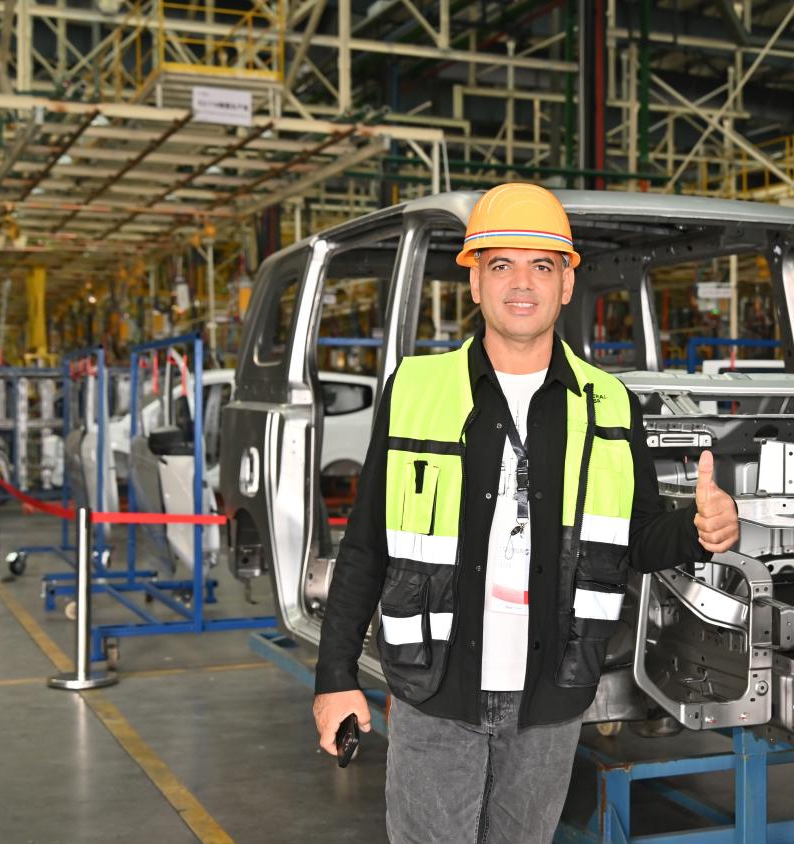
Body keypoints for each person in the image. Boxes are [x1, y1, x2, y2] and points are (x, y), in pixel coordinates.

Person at [312, 183, 740, 844]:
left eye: (542, 265)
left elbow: (635, 539)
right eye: (501, 264)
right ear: (475, 282)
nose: (521, 282)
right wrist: (335, 677)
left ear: (566, 283)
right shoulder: (416, 390)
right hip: (435, 690)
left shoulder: (608, 403)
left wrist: (698, 530)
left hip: (552, 697)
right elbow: (367, 544)